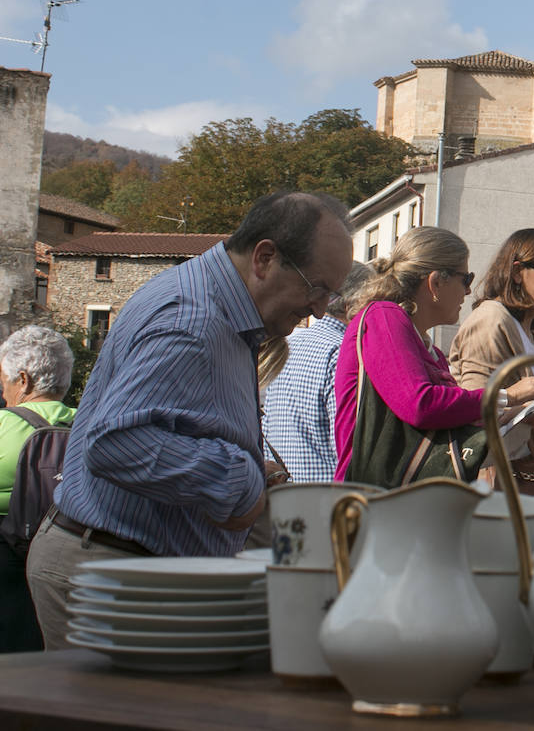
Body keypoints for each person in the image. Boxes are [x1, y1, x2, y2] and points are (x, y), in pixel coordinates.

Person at [26, 191, 355, 649]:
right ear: (264, 258)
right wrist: (239, 478)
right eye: (316, 287)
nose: (320, 308)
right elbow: (117, 443)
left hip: (128, 564)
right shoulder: (192, 318)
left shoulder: (218, 307)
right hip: (111, 569)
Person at [334, 227, 534, 485]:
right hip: (374, 499)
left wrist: (514, 413)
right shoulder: (383, 316)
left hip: (402, 498)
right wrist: (507, 395)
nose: (469, 292)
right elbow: (420, 405)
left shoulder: (429, 349)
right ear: (436, 282)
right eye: (466, 279)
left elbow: (443, 416)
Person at [448, 229, 534, 493]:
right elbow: (476, 419)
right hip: (509, 485)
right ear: (518, 271)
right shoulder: (491, 320)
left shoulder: (526, 328)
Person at [0, 326, 76, 652]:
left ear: (24, 380)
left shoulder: (3, 425)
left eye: (5, 381)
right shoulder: (88, 425)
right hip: (67, 569)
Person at [262, 262, 371, 482]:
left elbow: (266, 427)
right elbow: (350, 448)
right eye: (374, 301)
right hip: (327, 499)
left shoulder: (289, 342)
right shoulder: (346, 354)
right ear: (354, 303)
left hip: (280, 491)